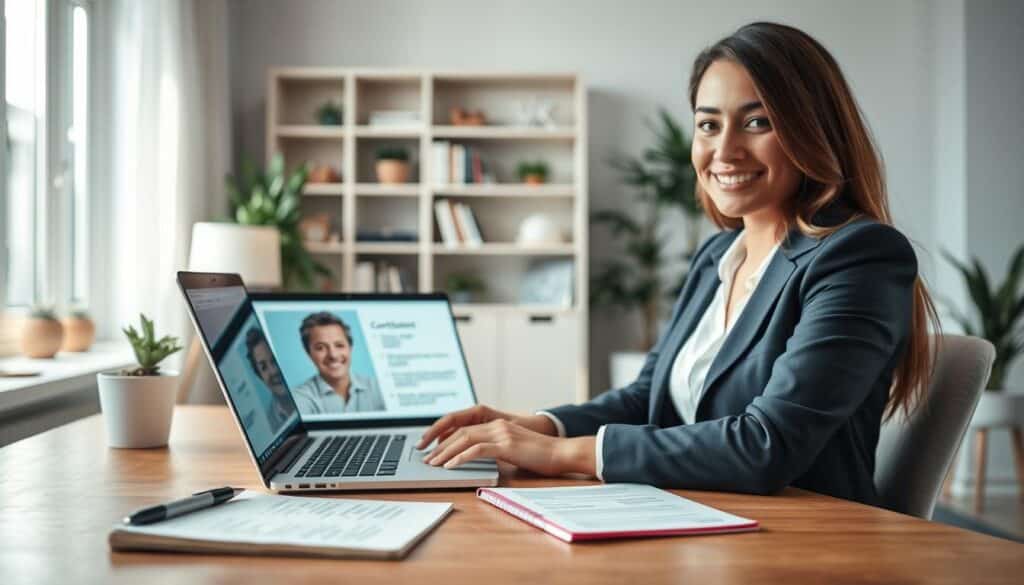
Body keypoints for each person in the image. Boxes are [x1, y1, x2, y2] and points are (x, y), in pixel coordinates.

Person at [417, 22, 940, 506]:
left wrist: (559, 455)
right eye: (708, 125)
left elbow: (768, 444)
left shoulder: (858, 256)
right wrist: (539, 426)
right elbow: (650, 398)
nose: (725, 150)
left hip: (804, 537)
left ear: (812, 130)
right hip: (691, 513)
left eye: (757, 122)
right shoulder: (718, 255)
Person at [291, 312, 386, 414]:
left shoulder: (379, 388)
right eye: (320, 348)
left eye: (339, 345)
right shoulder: (300, 397)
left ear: (350, 348)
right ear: (309, 353)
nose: (333, 355)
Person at [244, 327, 293, 431]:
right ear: (260, 377)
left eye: (274, 360)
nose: (273, 371)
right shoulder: (269, 425)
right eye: (264, 367)